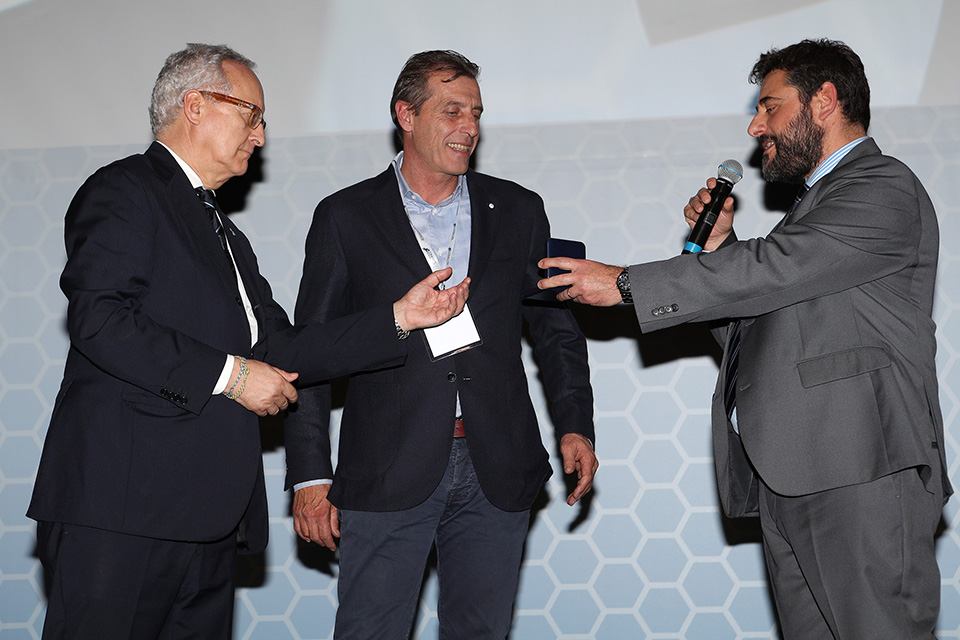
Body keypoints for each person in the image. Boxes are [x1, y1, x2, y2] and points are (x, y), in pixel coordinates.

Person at [27, 43, 468, 640]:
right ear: (195, 105)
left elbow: (281, 350)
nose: (260, 136)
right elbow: (101, 320)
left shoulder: (227, 234)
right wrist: (233, 377)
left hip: (207, 520)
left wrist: (399, 317)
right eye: (251, 115)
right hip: (122, 512)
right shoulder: (124, 189)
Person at [539, 39, 951, 639]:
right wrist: (721, 249)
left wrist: (626, 283)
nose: (757, 126)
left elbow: (776, 268)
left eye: (770, 106)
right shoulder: (814, 210)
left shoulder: (882, 185)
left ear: (825, 100)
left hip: (861, 468)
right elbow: (762, 318)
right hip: (798, 474)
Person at [284, 50, 597, 638]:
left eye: (476, 113)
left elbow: (557, 333)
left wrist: (575, 424)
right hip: (386, 467)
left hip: (497, 466)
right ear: (406, 114)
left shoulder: (519, 209)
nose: (469, 127)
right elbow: (311, 353)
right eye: (452, 111)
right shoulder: (346, 216)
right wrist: (309, 476)